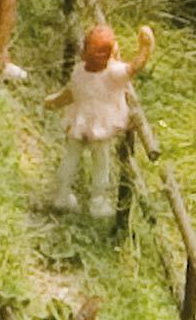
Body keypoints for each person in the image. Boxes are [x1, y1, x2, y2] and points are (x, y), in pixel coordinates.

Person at [51, 22, 150, 223]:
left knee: (70, 158)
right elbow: (135, 66)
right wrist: (145, 48)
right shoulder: (113, 74)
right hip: (101, 128)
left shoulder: (79, 71)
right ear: (106, 55)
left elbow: (70, 94)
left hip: (79, 123)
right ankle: (97, 202)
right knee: (101, 164)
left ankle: (62, 195)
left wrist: (53, 102)